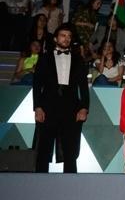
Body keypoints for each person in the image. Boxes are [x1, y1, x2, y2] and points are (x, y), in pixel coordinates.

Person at [31, 24, 90, 173]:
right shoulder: (44, 58)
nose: (66, 39)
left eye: (69, 36)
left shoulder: (79, 60)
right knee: (44, 146)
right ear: (56, 38)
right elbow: (37, 84)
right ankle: (39, 181)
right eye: (63, 35)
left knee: (70, 148)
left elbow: (83, 86)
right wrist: (37, 107)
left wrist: (84, 107)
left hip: (71, 107)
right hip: (48, 105)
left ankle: (70, 184)